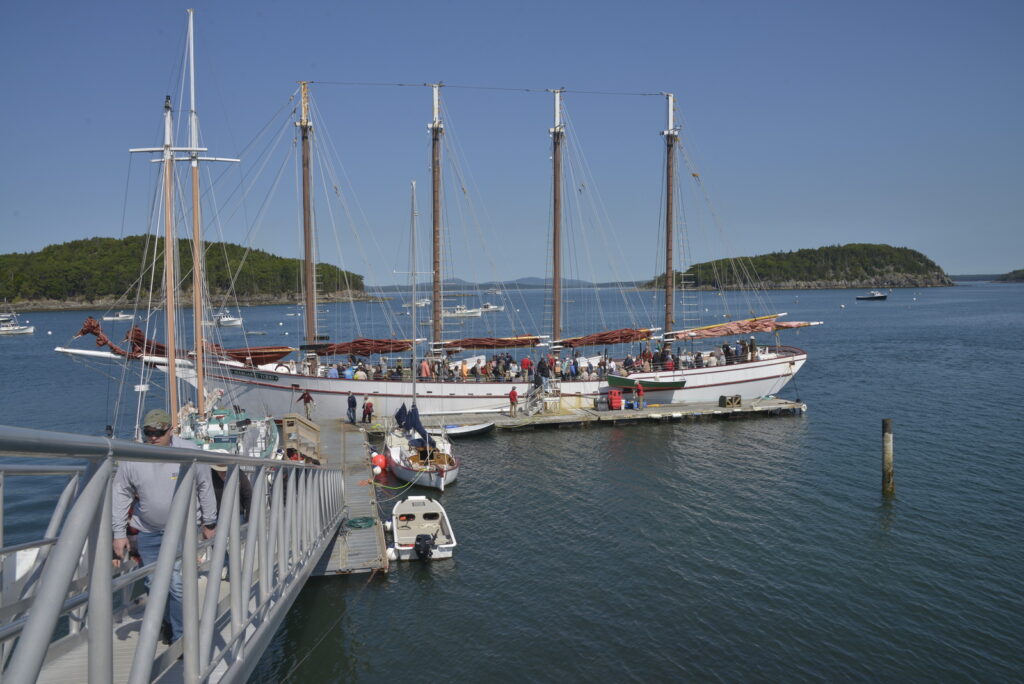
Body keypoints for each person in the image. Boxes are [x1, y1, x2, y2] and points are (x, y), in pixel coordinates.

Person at [111, 409, 217, 643]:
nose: (153, 438)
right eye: (148, 433)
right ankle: (168, 622)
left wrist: (209, 521)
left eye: (159, 432)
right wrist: (118, 533)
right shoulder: (134, 456)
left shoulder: (190, 453)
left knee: (177, 584)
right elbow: (120, 493)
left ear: (170, 430)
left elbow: (205, 487)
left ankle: (181, 638)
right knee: (153, 582)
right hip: (148, 530)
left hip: (181, 530)